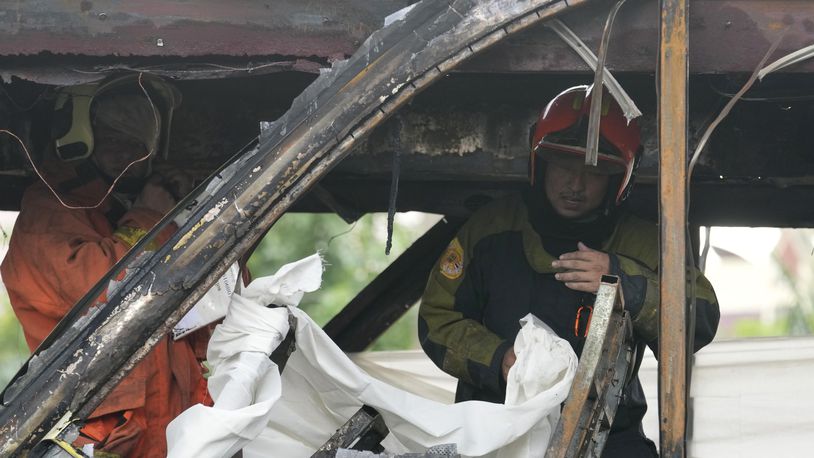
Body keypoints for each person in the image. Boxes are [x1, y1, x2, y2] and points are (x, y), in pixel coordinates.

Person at [418, 85, 720, 457]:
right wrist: (501, 361)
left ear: (619, 176)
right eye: (563, 166)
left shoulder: (642, 244)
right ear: (540, 162)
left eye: (594, 172)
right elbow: (437, 318)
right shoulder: (490, 229)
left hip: (609, 438)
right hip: (498, 430)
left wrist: (624, 280)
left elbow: (700, 318)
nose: (575, 185)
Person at [1, 74, 209, 457]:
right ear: (79, 136)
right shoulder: (49, 212)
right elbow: (105, 293)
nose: (126, 156)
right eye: (112, 141)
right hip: (103, 440)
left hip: (177, 435)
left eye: (136, 145)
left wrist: (189, 218)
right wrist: (149, 216)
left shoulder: (131, 212)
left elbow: (225, 304)